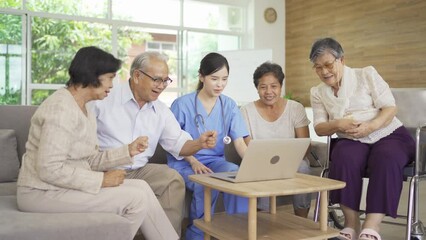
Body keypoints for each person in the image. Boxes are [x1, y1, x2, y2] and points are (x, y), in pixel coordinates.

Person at [16, 46, 178, 240]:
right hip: (41, 191)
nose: (112, 84)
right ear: (92, 76)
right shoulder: (61, 109)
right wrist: (101, 180)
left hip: (60, 186)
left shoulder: (84, 109)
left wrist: (127, 151)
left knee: (141, 187)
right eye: (109, 77)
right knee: (136, 199)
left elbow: (89, 160)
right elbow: (49, 169)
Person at [92, 51, 217, 237]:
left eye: (166, 81)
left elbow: (180, 145)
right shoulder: (105, 98)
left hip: (139, 171)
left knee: (171, 179)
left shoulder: (160, 111)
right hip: (105, 168)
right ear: (136, 76)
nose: (161, 86)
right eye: (157, 80)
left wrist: (199, 143)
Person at [309, 37, 415, 240]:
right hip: (351, 139)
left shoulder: (366, 74)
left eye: (328, 65)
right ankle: (351, 225)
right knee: (343, 157)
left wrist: (371, 126)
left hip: (387, 133)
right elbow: (320, 127)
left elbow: (390, 107)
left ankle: (371, 228)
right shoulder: (318, 92)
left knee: (387, 157)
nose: (324, 72)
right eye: (318, 67)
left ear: (342, 60)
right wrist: (338, 124)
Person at [167, 52, 249, 240]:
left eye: (224, 79)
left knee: (236, 174)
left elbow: (239, 143)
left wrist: (253, 167)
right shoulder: (182, 104)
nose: (220, 84)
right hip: (184, 162)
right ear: (202, 77)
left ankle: (238, 230)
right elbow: (172, 141)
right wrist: (193, 160)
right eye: (214, 78)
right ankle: (197, 234)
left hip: (215, 161)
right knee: (206, 182)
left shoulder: (229, 105)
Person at [240, 61, 312, 218]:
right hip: (259, 161)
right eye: (263, 87)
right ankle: (263, 221)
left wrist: (287, 161)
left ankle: (301, 221)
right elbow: (248, 146)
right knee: (263, 170)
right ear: (257, 89)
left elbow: (305, 145)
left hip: (292, 161)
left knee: (303, 167)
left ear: (281, 86)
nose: (268, 91)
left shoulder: (295, 108)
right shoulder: (246, 111)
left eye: (274, 86)